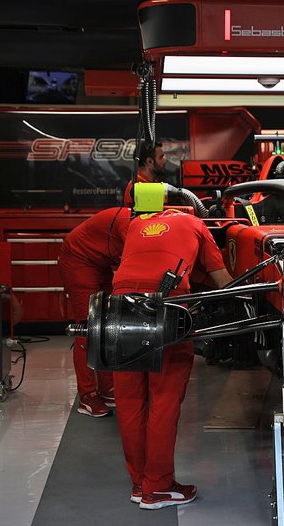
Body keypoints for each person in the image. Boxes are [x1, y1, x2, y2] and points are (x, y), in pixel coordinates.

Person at [112, 209, 232, 509]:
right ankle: (159, 487)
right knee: (163, 399)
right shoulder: (195, 223)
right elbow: (223, 282)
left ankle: (139, 485)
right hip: (169, 304)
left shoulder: (136, 223)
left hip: (118, 304)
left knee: (129, 400)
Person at [58, 207, 132, 417]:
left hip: (100, 262)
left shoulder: (141, 222)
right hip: (78, 259)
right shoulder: (129, 224)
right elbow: (134, 261)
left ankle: (108, 389)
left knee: (109, 323)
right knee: (89, 328)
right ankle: (87, 396)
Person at [123, 141, 167, 205]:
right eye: (161, 157)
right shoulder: (137, 188)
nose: (165, 161)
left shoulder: (152, 182)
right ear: (150, 162)